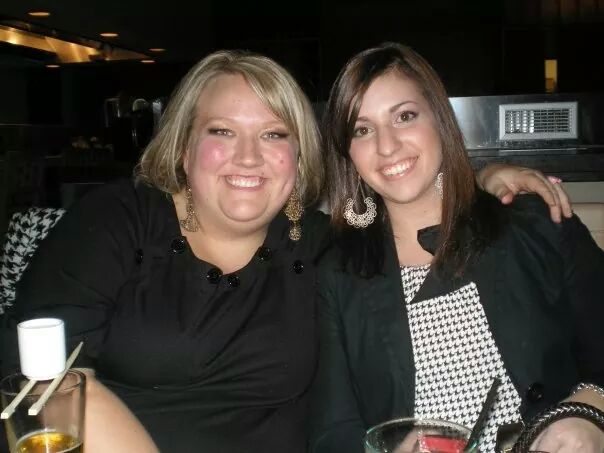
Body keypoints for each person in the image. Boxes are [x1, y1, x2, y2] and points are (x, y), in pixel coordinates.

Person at [1, 49, 572, 453]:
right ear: (182, 146)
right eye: (222, 131)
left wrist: (486, 180)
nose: (249, 157)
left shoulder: (323, 245)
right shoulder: (119, 219)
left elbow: (409, 198)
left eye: (275, 135)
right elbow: (45, 377)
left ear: (299, 159)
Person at [310, 42, 604, 453]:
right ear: (348, 153)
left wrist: (589, 415)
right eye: (362, 129)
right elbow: (332, 430)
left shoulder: (535, 224)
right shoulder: (337, 271)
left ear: (439, 118)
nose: (387, 145)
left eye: (405, 116)